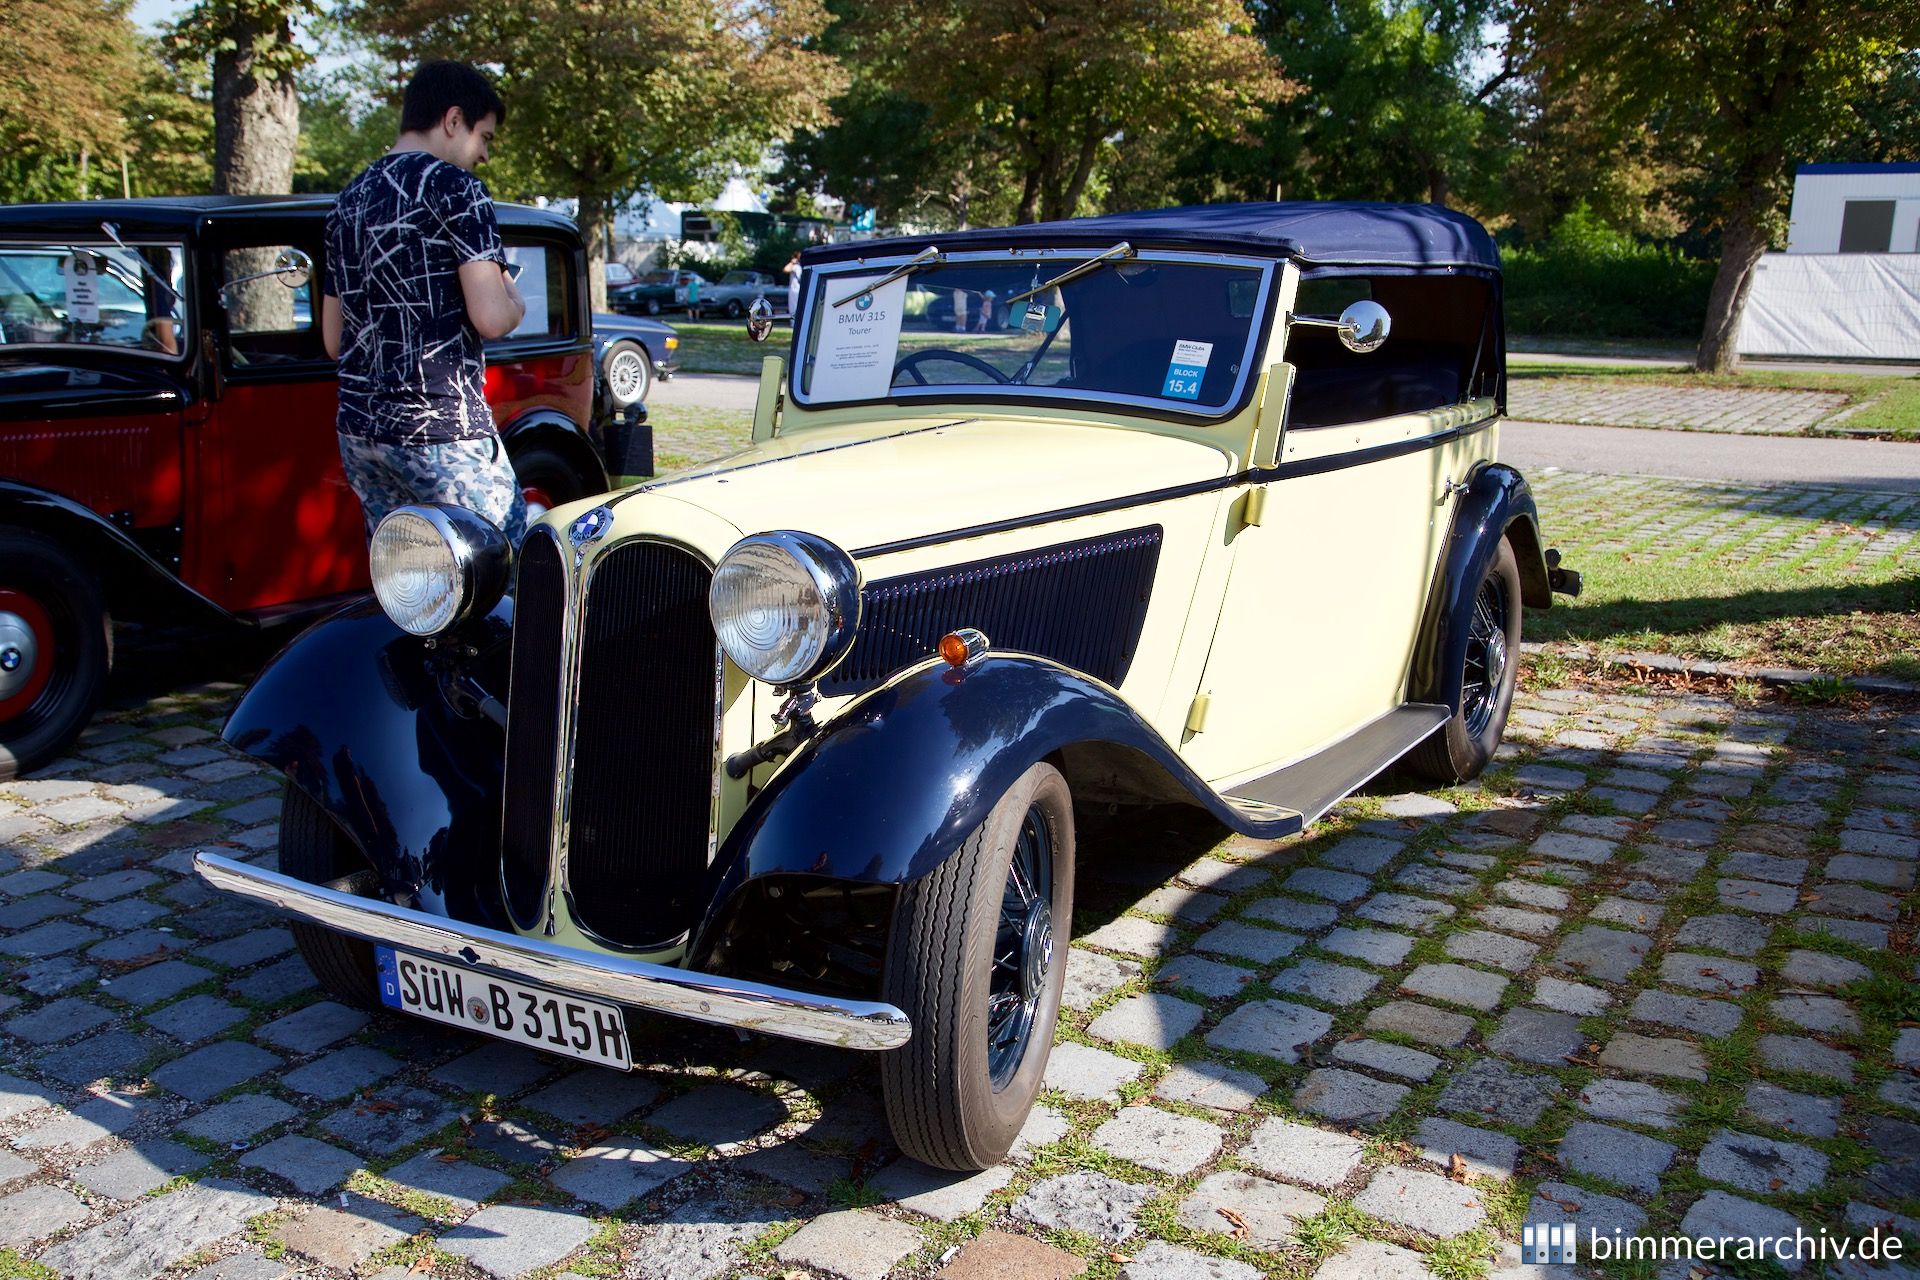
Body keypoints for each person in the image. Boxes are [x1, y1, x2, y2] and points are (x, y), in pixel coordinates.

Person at [321, 60, 528, 545]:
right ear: (453, 120)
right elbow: (493, 318)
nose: (484, 156)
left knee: (413, 584)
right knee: (504, 572)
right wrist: (514, 298)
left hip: (360, 431)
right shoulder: (458, 191)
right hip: (441, 427)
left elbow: (334, 341)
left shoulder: (345, 201)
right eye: (485, 138)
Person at [784, 250, 802, 319]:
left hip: (796, 290)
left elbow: (785, 269)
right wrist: (792, 263)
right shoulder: (795, 266)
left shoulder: (798, 266)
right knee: (793, 307)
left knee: (795, 307)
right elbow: (786, 269)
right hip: (795, 289)